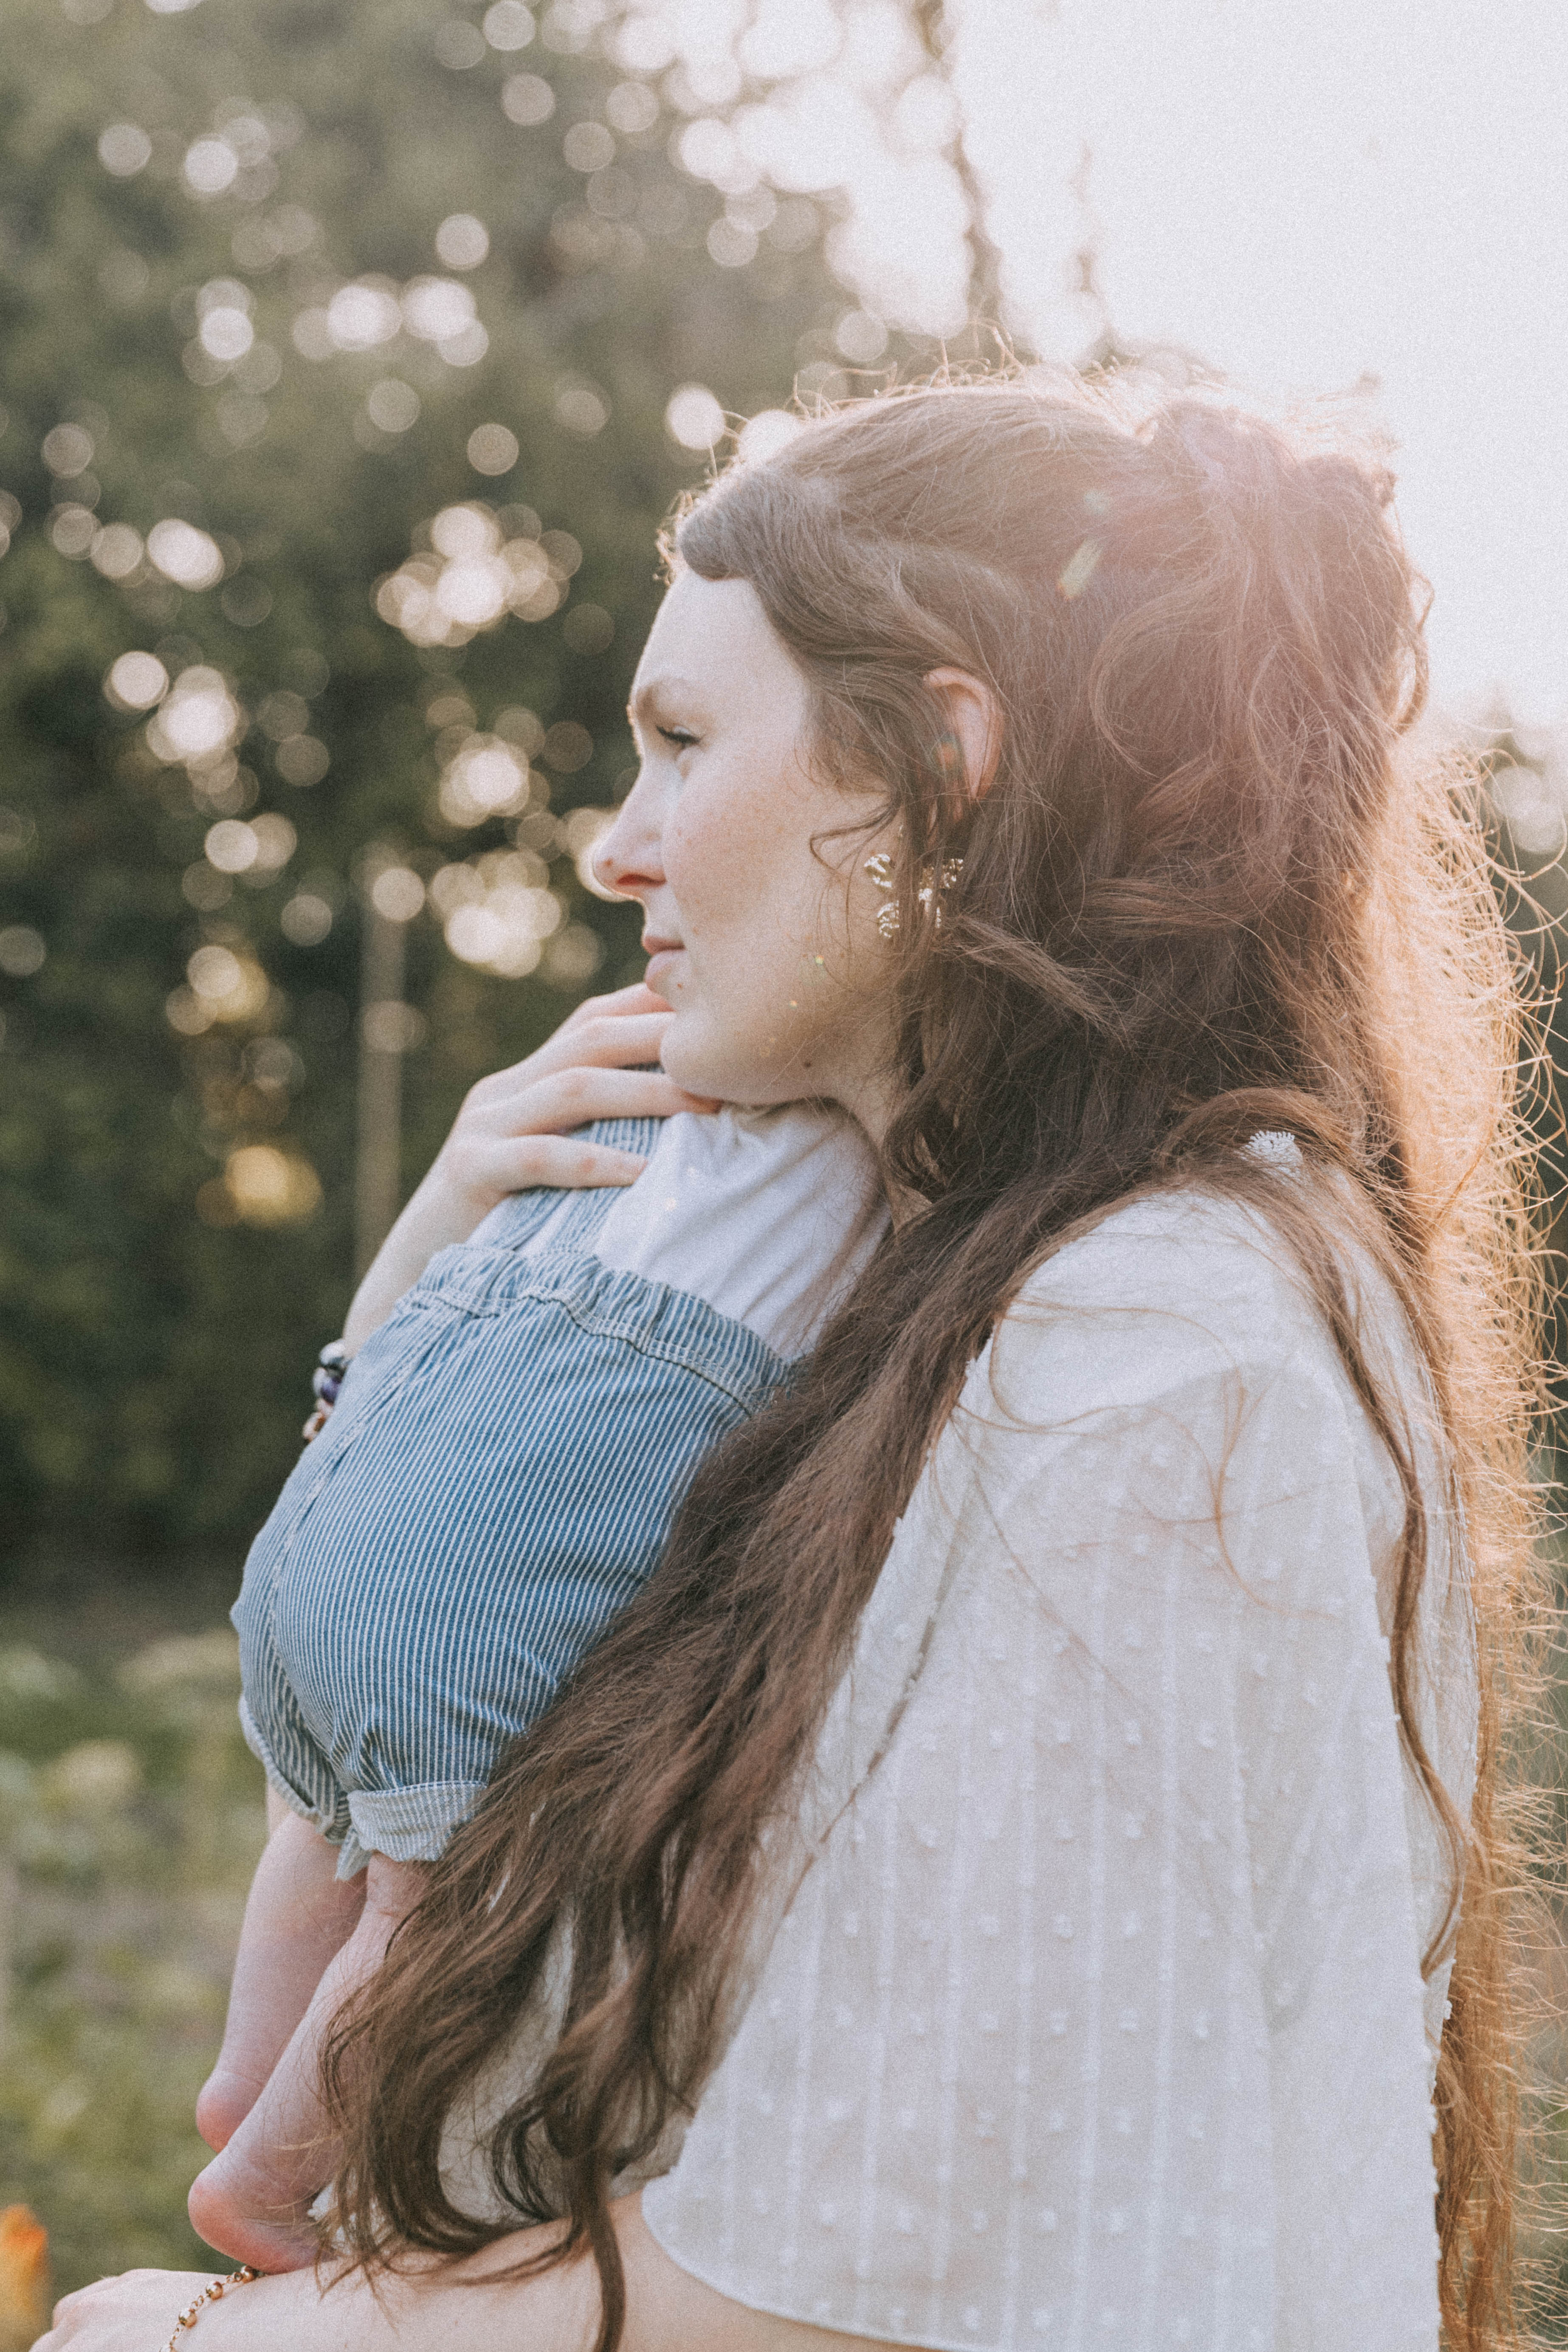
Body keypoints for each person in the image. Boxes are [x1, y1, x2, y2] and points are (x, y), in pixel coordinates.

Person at [40, 370, 1545, 2352]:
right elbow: (390, 1760)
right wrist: (428, 1298)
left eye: (678, 744)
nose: (613, 847)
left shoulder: (1150, 1359)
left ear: (937, 758)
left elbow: (857, 2283)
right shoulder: (909, 1291)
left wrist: (183, 2338)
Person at [188, 1007, 888, 2270]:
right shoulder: (858, 1095)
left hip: (320, 1536)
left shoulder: (633, 1066)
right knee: (415, 1901)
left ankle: (246, 2089)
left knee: (316, 1822)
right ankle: (263, 2176)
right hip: (440, 1613)